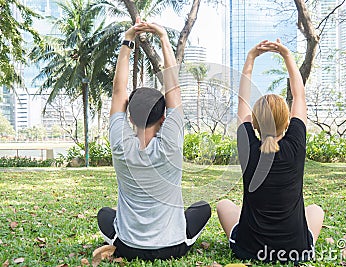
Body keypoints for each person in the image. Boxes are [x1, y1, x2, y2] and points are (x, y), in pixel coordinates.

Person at [96, 17, 211, 261]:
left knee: (105, 214)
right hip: (174, 247)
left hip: (129, 248)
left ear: (129, 117)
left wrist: (128, 40)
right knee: (203, 208)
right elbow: (174, 90)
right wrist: (163, 38)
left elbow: (118, 90)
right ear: (163, 118)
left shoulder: (120, 143)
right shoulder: (170, 143)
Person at [216, 39, 324, 264]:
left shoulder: (249, 148)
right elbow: (299, 96)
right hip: (296, 250)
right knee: (316, 210)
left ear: (254, 124)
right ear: (287, 123)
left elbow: (242, 100)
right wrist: (286, 55)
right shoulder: (295, 144)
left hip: (250, 250)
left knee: (224, 205)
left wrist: (251, 58)